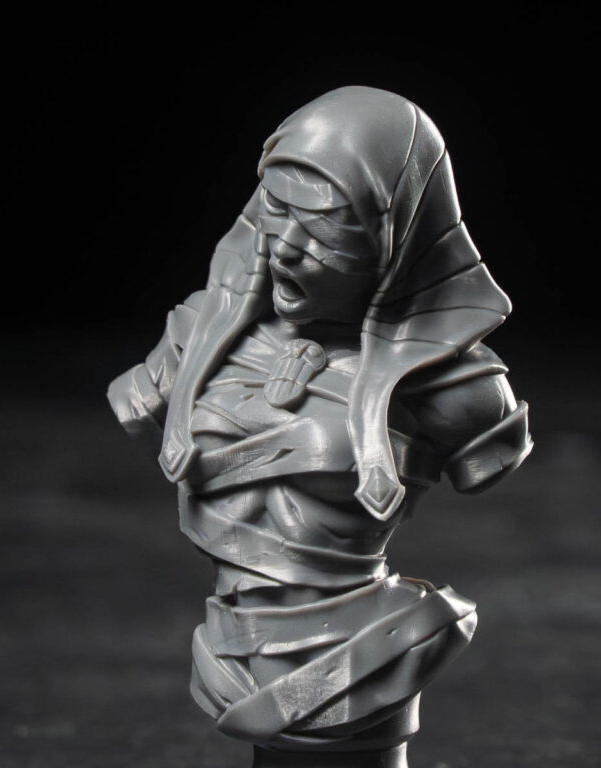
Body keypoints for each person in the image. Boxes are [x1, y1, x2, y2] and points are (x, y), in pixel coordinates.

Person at [108, 86, 531, 767]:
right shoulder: (192, 341)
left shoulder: (454, 386)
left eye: (327, 225)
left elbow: (487, 452)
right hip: (232, 654)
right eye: (275, 208)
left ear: (397, 233)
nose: (287, 247)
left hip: (368, 652)